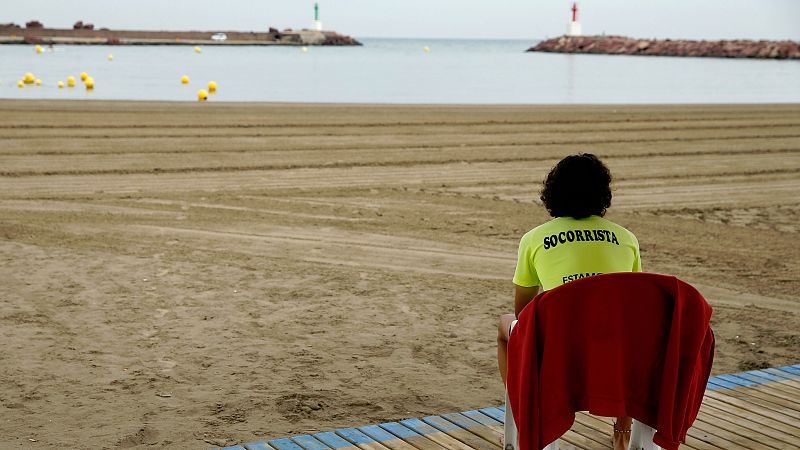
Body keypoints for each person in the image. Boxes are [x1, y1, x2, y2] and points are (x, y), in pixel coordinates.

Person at [497, 153, 642, 450]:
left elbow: (523, 311)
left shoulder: (535, 238)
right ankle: (623, 432)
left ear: (553, 193)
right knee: (630, 333)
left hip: (559, 347)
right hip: (614, 348)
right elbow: (635, 300)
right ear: (603, 194)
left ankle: (527, 416)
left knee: (505, 329)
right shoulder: (626, 238)